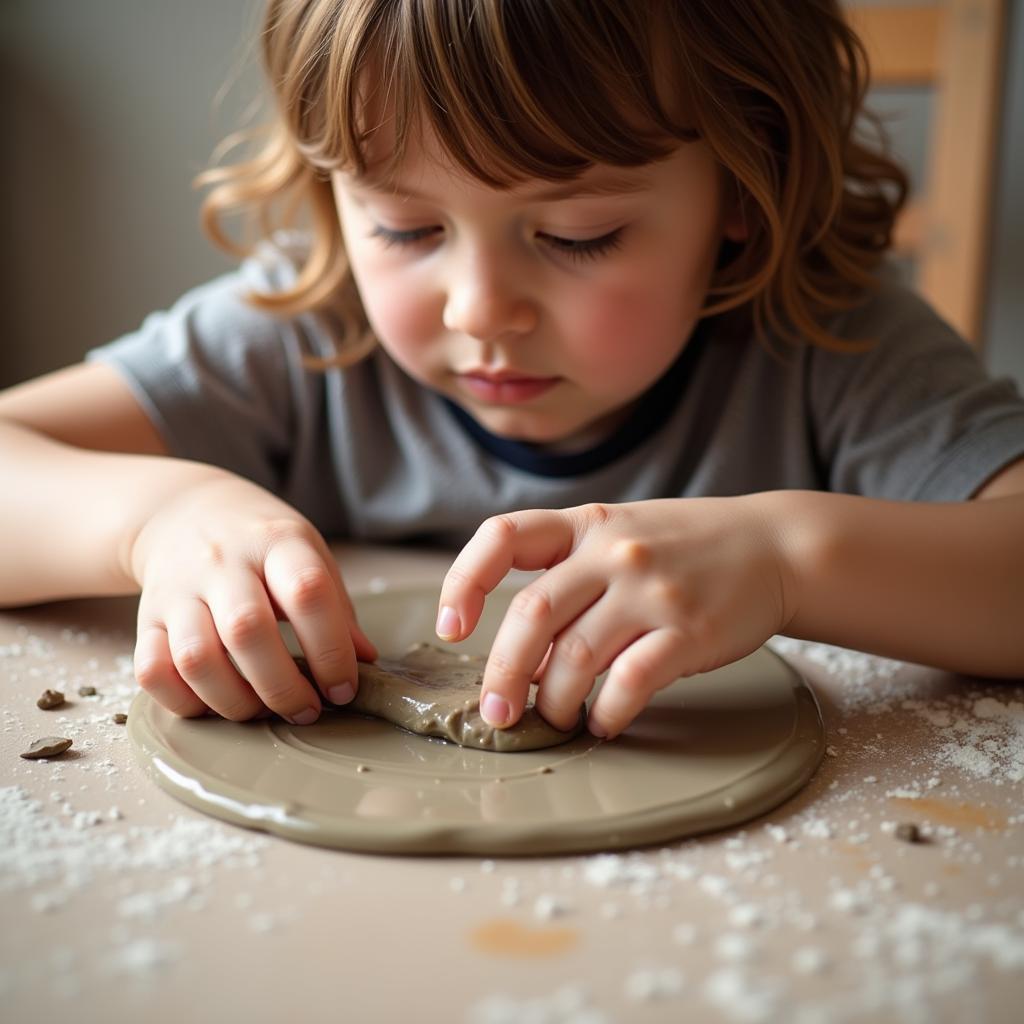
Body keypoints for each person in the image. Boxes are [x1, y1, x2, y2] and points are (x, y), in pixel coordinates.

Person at [2, 0, 1022, 743]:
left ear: (742, 187)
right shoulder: (296, 338)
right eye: (405, 227)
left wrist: (786, 559)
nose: (479, 307)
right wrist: (156, 522)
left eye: (578, 234)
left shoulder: (830, 346)